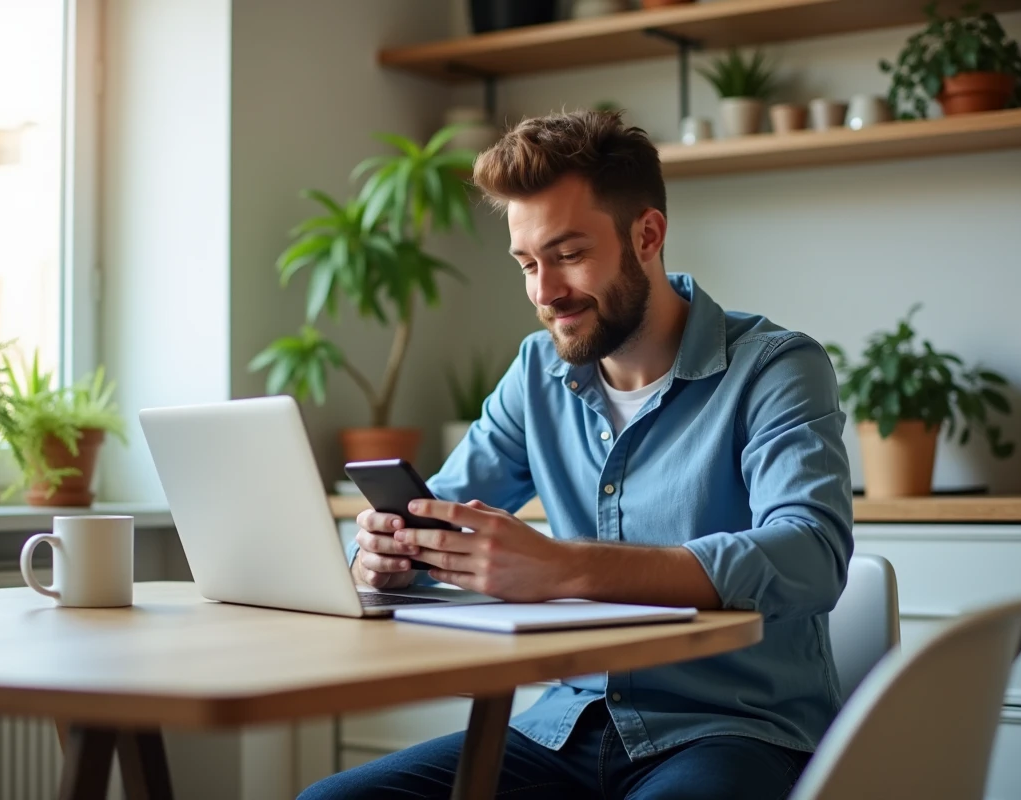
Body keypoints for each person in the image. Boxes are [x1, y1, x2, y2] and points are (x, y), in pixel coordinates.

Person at [301, 110, 853, 799]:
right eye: (528, 264)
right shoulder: (536, 373)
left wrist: (565, 567)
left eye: (568, 255)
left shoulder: (775, 367)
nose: (544, 292)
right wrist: (385, 557)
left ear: (647, 235)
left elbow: (810, 555)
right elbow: (434, 514)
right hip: (564, 728)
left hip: (735, 730)